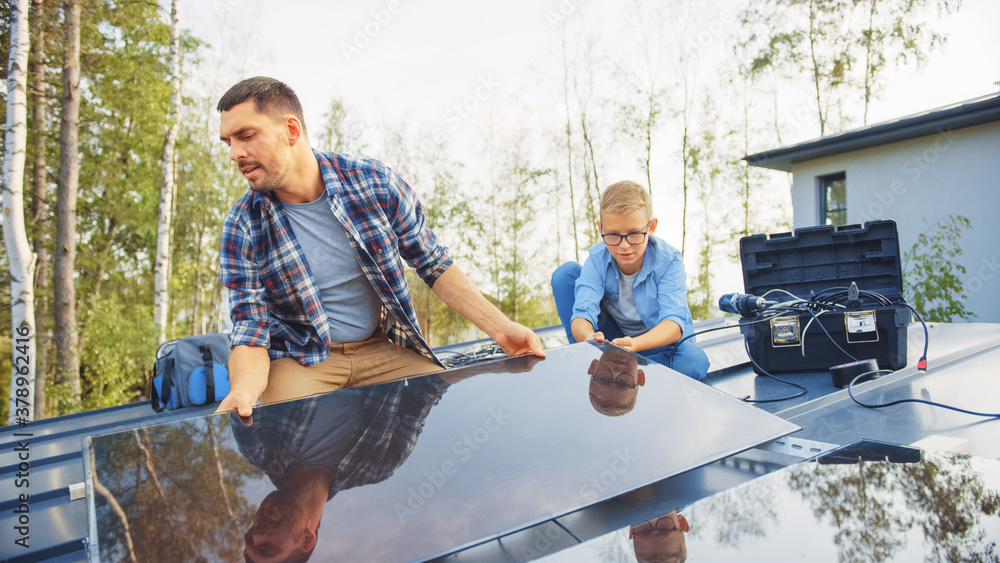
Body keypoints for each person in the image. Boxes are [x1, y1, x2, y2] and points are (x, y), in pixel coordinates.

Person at [215, 76, 544, 418]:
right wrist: (241, 391)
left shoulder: (374, 182)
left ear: (291, 131)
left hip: (383, 349)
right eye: (228, 142)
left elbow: (433, 264)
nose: (235, 153)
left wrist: (501, 327)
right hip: (302, 359)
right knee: (297, 452)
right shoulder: (242, 224)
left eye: (246, 136)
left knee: (443, 425)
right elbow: (250, 328)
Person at [551, 180, 709, 381]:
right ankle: (591, 358)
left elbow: (673, 324)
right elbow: (582, 313)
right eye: (613, 235)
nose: (624, 246)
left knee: (694, 362)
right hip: (616, 341)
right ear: (600, 228)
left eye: (634, 234)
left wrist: (635, 346)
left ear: (651, 227)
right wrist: (588, 337)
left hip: (658, 343)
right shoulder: (597, 259)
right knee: (565, 274)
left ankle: (628, 372)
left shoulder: (669, 260)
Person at [588, 344, 646, 417]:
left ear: (593, 367)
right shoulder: (662, 354)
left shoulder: (584, 337)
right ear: (639, 377)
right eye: (624, 383)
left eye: (604, 378)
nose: (616, 372)